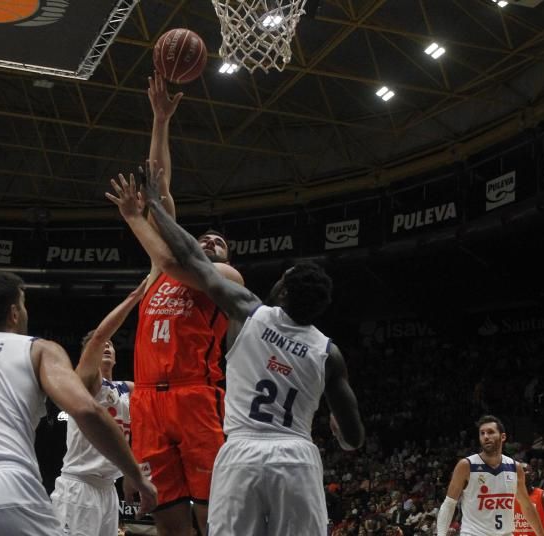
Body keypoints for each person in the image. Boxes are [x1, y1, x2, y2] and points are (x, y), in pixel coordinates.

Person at [107, 165, 364, 535]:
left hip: (241, 449)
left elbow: (188, 256)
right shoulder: (329, 353)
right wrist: (339, 429)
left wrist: (154, 208)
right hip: (296, 456)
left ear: (284, 291)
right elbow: (353, 439)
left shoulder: (249, 312)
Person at [0, 271, 156, 534]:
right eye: (23, 305)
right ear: (14, 313)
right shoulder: (37, 348)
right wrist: (136, 476)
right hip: (2, 486)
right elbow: (86, 410)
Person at [118, 73, 245, 536]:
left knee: (214, 514)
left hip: (196, 396)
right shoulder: (159, 269)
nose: (210, 242)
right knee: (168, 519)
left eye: (218, 242)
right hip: (147, 398)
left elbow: (172, 247)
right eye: (204, 238)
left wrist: (140, 219)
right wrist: (159, 120)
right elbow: (161, 190)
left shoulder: (223, 279)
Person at [50, 279, 147, 535]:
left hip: (109, 490)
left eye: (111, 345)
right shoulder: (84, 383)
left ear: (115, 355)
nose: (105, 345)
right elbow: (100, 336)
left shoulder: (129, 389)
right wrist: (135, 298)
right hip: (78, 488)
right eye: (98, 343)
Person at [436, 415, 544, 536]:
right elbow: (449, 504)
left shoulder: (515, 468)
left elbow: (527, 506)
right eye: (482, 433)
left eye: (490, 432)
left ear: (503, 437)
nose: (486, 437)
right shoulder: (466, 465)